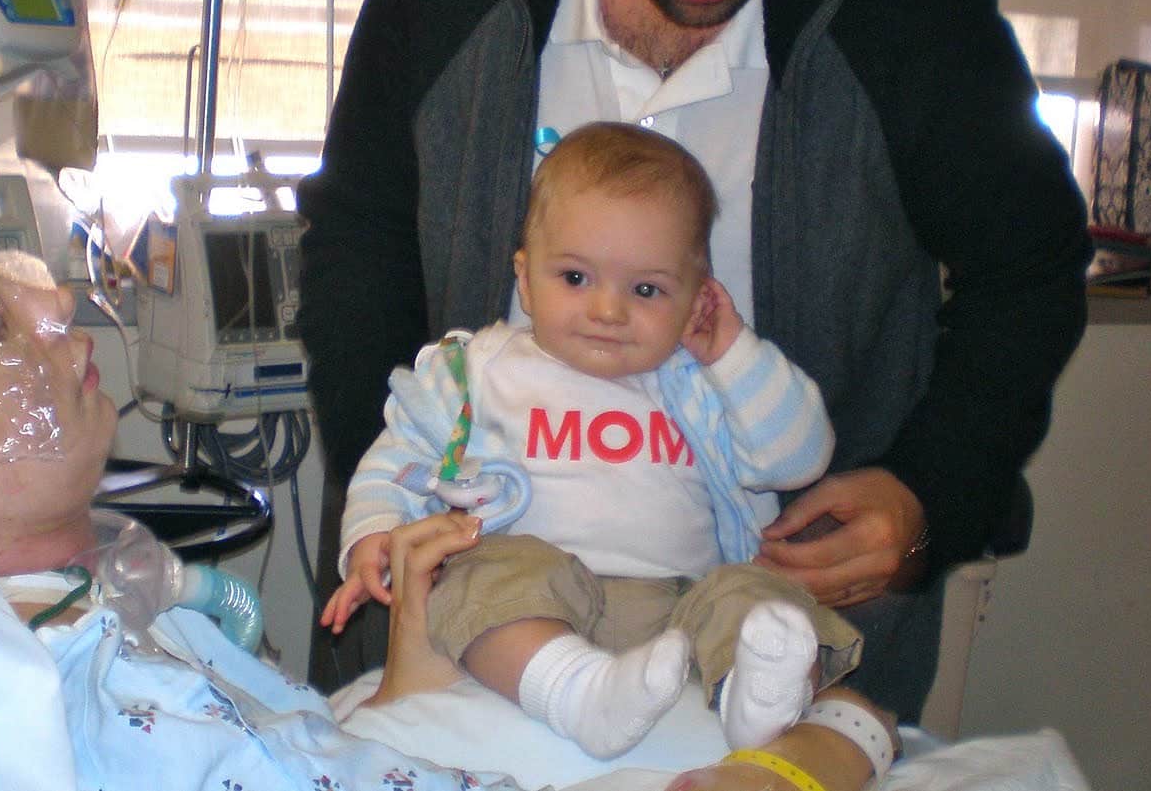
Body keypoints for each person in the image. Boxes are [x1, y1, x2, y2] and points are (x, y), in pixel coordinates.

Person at [0, 113, 899, 791]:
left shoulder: (102, 615)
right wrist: (821, 752)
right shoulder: (58, 700)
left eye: (10, 272)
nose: (54, 305)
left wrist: (406, 681)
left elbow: (301, 749)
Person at [297, 0, 1092, 721]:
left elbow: (1032, 269)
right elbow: (357, 248)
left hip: (777, 660)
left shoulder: (914, 27)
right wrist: (392, 506)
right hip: (461, 634)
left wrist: (928, 495)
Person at [324, 122, 860, 757]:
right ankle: (573, 691)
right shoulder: (479, 370)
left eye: (646, 290)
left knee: (763, 602)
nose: (608, 311)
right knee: (476, 581)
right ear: (525, 279)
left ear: (697, 300)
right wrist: (375, 534)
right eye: (575, 278)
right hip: (532, 598)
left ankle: (756, 700)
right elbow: (398, 459)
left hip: (680, 606)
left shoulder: (702, 383)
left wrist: (731, 351)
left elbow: (798, 460)